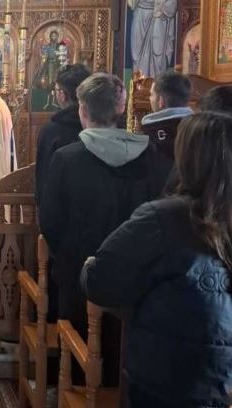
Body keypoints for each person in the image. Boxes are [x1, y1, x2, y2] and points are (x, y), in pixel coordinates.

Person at [82, 112, 232, 407]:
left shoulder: (165, 218)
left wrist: (88, 268)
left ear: (188, 159)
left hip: (169, 381)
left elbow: (100, 280)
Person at [39, 73, 171, 356]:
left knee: (79, 352)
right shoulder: (152, 157)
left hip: (79, 277)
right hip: (138, 279)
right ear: (121, 108)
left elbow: (50, 222)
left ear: (82, 110)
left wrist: (73, 256)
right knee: (125, 353)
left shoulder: (66, 159)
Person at [34, 63, 90, 205]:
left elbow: (43, 181)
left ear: (62, 95)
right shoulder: (99, 125)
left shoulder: (50, 132)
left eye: (56, 89)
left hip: (60, 210)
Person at [127, 0, 178, 76]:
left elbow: (173, 1)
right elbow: (132, 3)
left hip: (157, 21)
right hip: (140, 21)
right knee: (138, 52)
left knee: (157, 50)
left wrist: (160, 6)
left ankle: (157, 80)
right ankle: (140, 81)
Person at [141, 70, 193, 161]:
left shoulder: (148, 135)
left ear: (161, 101)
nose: (149, 98)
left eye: (151, 94)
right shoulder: (199, 129)